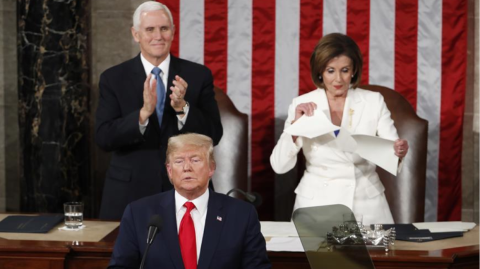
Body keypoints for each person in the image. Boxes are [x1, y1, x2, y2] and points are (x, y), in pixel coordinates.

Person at [95, 1, 223, 220]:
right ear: (136, 34)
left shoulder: (198, 75)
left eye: (164, 28)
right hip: (129, 194)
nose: (158, 36)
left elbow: (214, 134)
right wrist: (143, 114)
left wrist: (183, 108)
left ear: (173, 32)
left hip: (185, 191)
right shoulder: (113, 78)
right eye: (150, 29)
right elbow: (104, 137)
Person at [270, 33, 409, 225]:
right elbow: (279, 165)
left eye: (344, 70)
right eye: (330, 71)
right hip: (316, 204)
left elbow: (392, 152)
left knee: (379, 255)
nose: (338, 79)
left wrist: (399, 151)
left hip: (366, 205)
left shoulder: (373, 101)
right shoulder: (301, 104)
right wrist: (296, 128)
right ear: (320, 71)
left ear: (353, 71)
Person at [108, 133, 271, 269]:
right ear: (170, 171)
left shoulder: (242, 215)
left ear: (211, 168)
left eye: (195, 160)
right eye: (179, 161)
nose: (187, 167)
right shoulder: (138, 213)